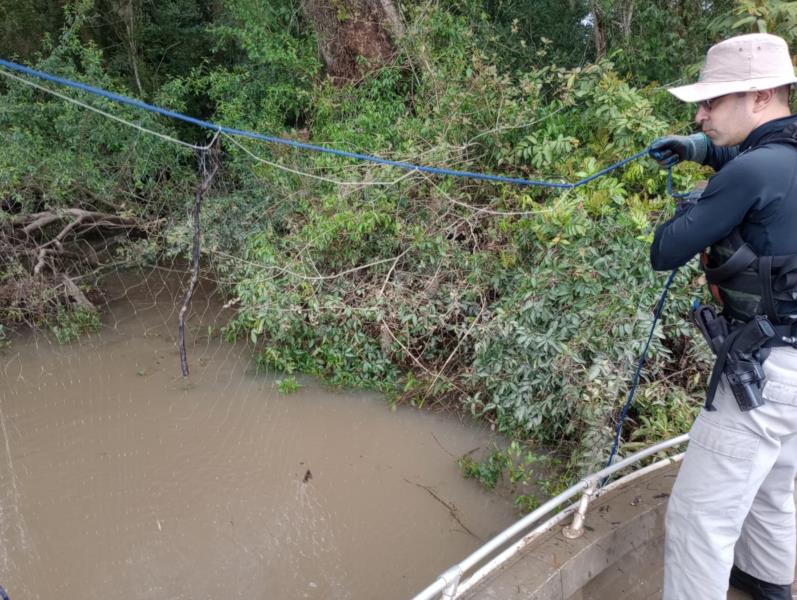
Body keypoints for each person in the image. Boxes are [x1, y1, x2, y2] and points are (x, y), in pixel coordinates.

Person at [648, 33, 797, 600]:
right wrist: (698, 148)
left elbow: (664, 250)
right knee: (772, 490)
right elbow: (764, 163)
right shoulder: (783, 155)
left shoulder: (749, 175)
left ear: (759, 96)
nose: (701, 113)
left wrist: (702, 202)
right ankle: (765, 584)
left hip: (763, 377)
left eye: (713, 102)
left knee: (697, 522)